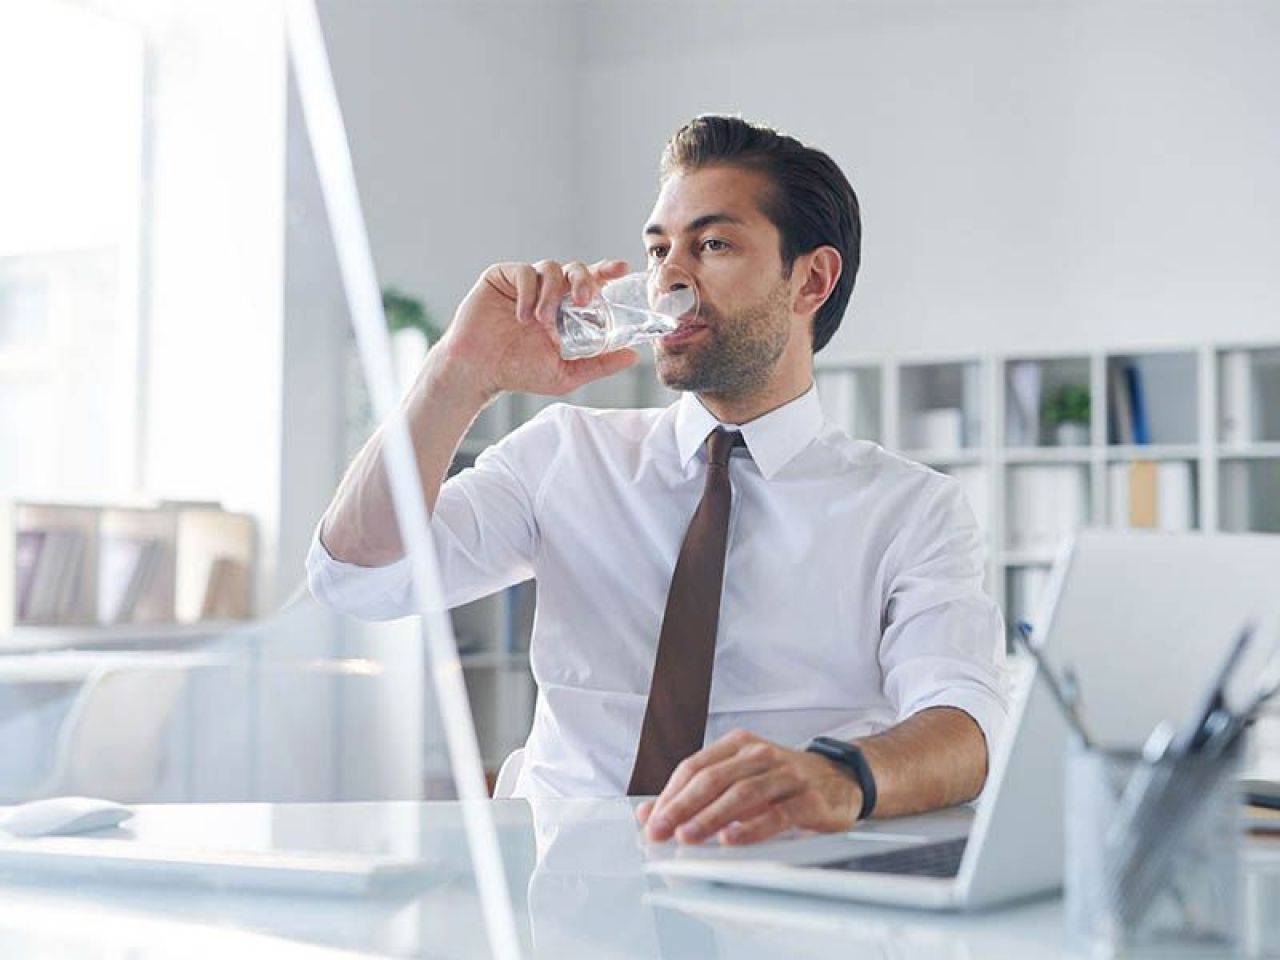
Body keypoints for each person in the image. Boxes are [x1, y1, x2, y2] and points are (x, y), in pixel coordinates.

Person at [308, 115, 1007, 847]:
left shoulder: (911, 510)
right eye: (657, 249)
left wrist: (840, 776)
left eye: (711, 244)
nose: (669, 276)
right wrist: (461, 371)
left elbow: (966, 723)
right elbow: (357, 577)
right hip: (562, 896)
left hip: (776, 886)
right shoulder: (564, 454)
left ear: (812, 279)